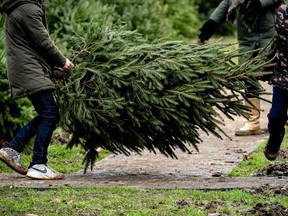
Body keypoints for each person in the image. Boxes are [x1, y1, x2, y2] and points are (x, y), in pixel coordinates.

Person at [0, 0, 74, 179]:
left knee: (46, 114)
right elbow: (43, 42)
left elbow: (32, 46)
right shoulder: (28, 9)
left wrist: (52, 70)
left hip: (29, 69)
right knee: (50, 114)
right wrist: (63, 62)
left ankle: (12, 149)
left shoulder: (24, 7)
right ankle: (38, 164)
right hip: (28, 71)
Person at [198, 0, 283, 136]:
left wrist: (258, 3)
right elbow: (228, 2)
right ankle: (253, 122)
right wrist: (212, 23)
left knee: (278, 74)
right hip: (246, 37)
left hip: (271, 31)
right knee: (248, 76)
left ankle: (281, 114)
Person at [264, 3, 288, 160]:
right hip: (283, 75)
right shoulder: (282, 11)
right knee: (276, 116)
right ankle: (275, 138)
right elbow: (273, 40)